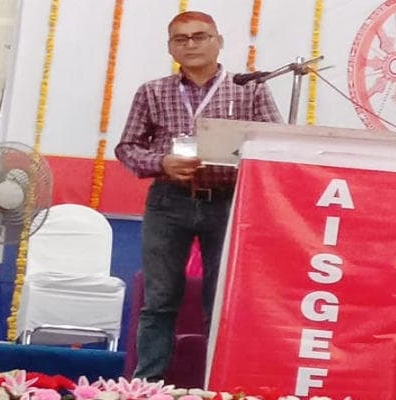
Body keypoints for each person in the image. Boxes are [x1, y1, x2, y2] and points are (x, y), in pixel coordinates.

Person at [115, 11, 282, 381]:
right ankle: (147, 385)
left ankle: (217, 382)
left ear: (218, 42)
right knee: (159, 300)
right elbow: (127, 148)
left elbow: (275, 145)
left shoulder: (249, 89)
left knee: (220, 302)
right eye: (181, 39)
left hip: (228, 202)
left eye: (200, 36)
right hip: (168, 200)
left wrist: (239, 159)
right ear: (170, 47)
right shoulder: (152, 91)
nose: (191, 44)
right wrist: (162, 162)